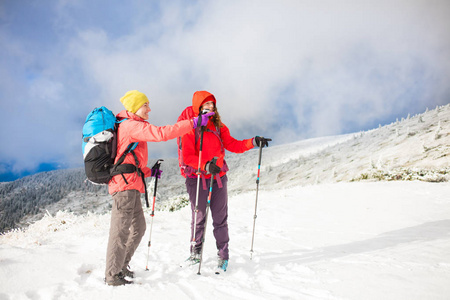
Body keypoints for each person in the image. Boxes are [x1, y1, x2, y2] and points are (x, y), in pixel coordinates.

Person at [105, 90, 213, 286]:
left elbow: (129, 160)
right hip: (124, 187)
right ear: (135, 107)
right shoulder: (131, 125)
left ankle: (121, 266)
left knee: (139, 227)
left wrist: (148, 172)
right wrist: (193, 122)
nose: (149, 109)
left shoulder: (130, 125)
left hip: (131, 184)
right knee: (120, 232)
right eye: (145, 105)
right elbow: (162, 134)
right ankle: (113, 275)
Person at [181, 90, 271, 273]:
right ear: (198, 106)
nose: (210, 107)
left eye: (212, 104)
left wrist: (253, 142)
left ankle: (223, 256)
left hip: (218, 178)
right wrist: (205, 166)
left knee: (220, 219)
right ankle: (195, 253)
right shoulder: (189, 127)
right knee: (199, 218)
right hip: (197, 179)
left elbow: (233, 145)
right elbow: (187, 156)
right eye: (206, 104)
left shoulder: (219, 126)